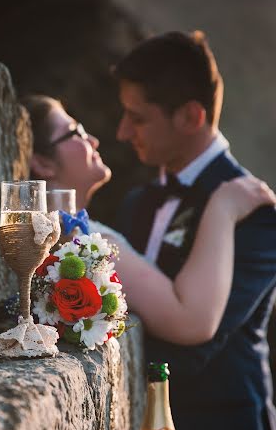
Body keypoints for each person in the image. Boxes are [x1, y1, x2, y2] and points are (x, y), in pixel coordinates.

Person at [112, 31, 276, 430]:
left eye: (138, 117)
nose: (121, 131)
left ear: (190, 115)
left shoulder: (254, 211)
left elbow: (195, 347)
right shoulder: (140, 199)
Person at [22, 93, 276, 347]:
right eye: (75, 132)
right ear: (43, 163)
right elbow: (188, 321)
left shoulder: (65, 236)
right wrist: (223, 208)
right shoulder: (83, 248)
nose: (93, 140)